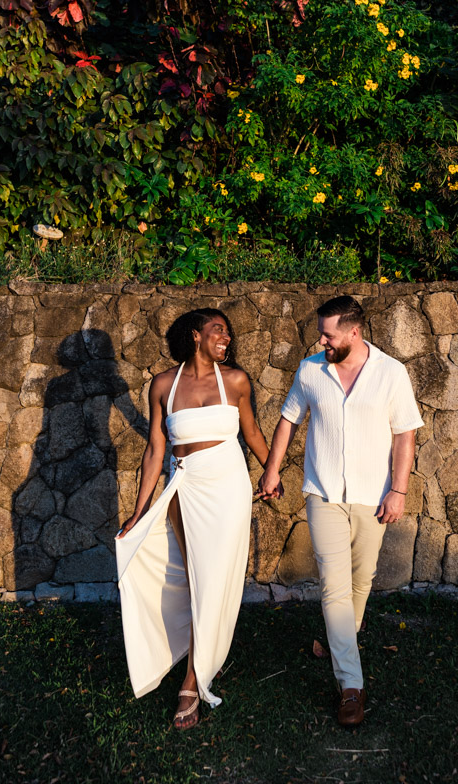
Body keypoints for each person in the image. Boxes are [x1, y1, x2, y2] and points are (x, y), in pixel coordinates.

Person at [257, 294, 423, 727]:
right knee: (333, 586)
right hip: (323, 493)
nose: (322, 340)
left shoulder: (391, 373)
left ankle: (340, 637)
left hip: (374, 495)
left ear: (354, 331)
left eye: (328, 334)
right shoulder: (311, 369)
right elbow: (289, 419)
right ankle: (351, 685)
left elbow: (405, 434)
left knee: (361, 579)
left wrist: (399, 491)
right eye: (320, 333)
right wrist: (272, 471)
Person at [116, 307, 273, 730]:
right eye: (217, 330)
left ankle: (192, 679)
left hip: (228, 485)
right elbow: (154, 449)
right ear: (195, 335)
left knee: (217, 576)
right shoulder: (163, 385)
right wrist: (138, 509)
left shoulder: (236, 380)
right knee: (193, 577)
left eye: (228, 332)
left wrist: (272, 472)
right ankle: (205, 654)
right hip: (184, 484)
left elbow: (253, 432)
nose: (226, 337)